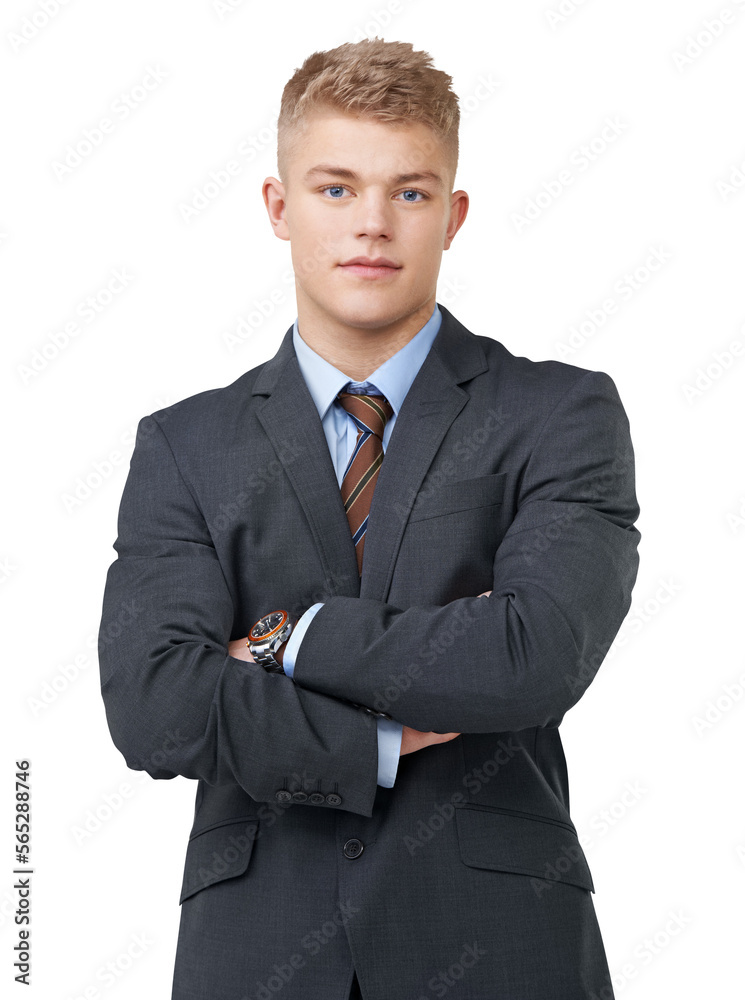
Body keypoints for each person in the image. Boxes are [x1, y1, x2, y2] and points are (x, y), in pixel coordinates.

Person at [98, 37, 640, 1000]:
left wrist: (278, 638)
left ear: (453, 215)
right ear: (279, 206)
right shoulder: (184, 445)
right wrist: (378, 743)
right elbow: (153, 706)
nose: (373, 225)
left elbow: (532, 654)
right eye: (336, 188)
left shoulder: (559, 414)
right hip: (255, 950)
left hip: (501, 945)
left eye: (411, 192)